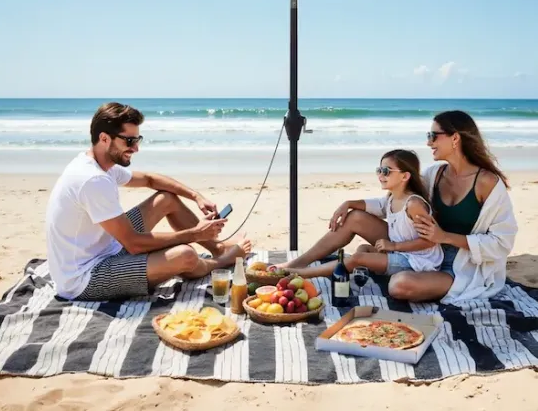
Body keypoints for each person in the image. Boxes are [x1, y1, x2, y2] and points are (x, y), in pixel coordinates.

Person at [46, 102, 252, 301]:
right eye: (129, 141)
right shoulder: (93, 180)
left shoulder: (99, 164)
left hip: (107, 247)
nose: (136, 148)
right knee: (186, 255)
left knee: (166, 199)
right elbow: (134, 244)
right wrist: (194, 234)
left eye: (138, 140)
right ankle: (222, 260)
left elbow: (149, 179)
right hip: (85, 278)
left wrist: (196, 196)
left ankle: (217, 248)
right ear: (104, 138)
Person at [389, 110, 518, 304]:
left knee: (400, 285)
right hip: (426, 254)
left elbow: (502, 243)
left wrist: (444, 237)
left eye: (433, 136)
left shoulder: (486, 182)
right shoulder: (434, 174)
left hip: (459, 266)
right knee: (355, 217)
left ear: (455, 138)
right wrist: (352, 204)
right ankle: (324, 273)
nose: (428, 143)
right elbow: (399, 198)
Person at [281, 150, 443, 279]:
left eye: (386, 171)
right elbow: (373, 205)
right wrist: (347, 204)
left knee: (358, 257)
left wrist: (394, 246)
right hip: (400, 251)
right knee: (356, 220)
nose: (380, 175)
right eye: (379, 170)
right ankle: (299, 263)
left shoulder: (414, 204)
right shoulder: (392, 198)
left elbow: (430, 241)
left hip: (418, 261)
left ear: (405, 176)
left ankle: (301, 274)